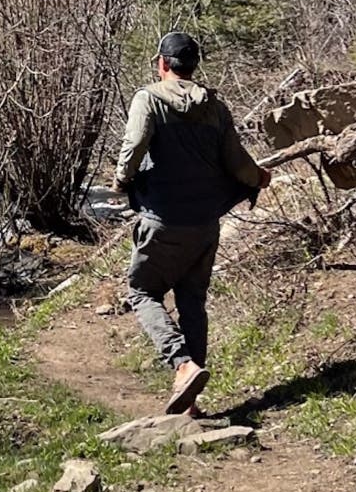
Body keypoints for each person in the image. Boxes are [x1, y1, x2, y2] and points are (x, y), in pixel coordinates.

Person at [114, 32, 271, 415]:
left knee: (142, 292)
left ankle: (182, 365)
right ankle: (190, 405)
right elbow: (238, 163)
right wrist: (259, 178)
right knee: (192, 301)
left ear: (162, 63)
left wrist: (121, 179)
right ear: (193, 67)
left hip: (163, 219)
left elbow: (134, 146)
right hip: (205, 223)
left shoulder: (149, 98)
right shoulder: (215, 106)